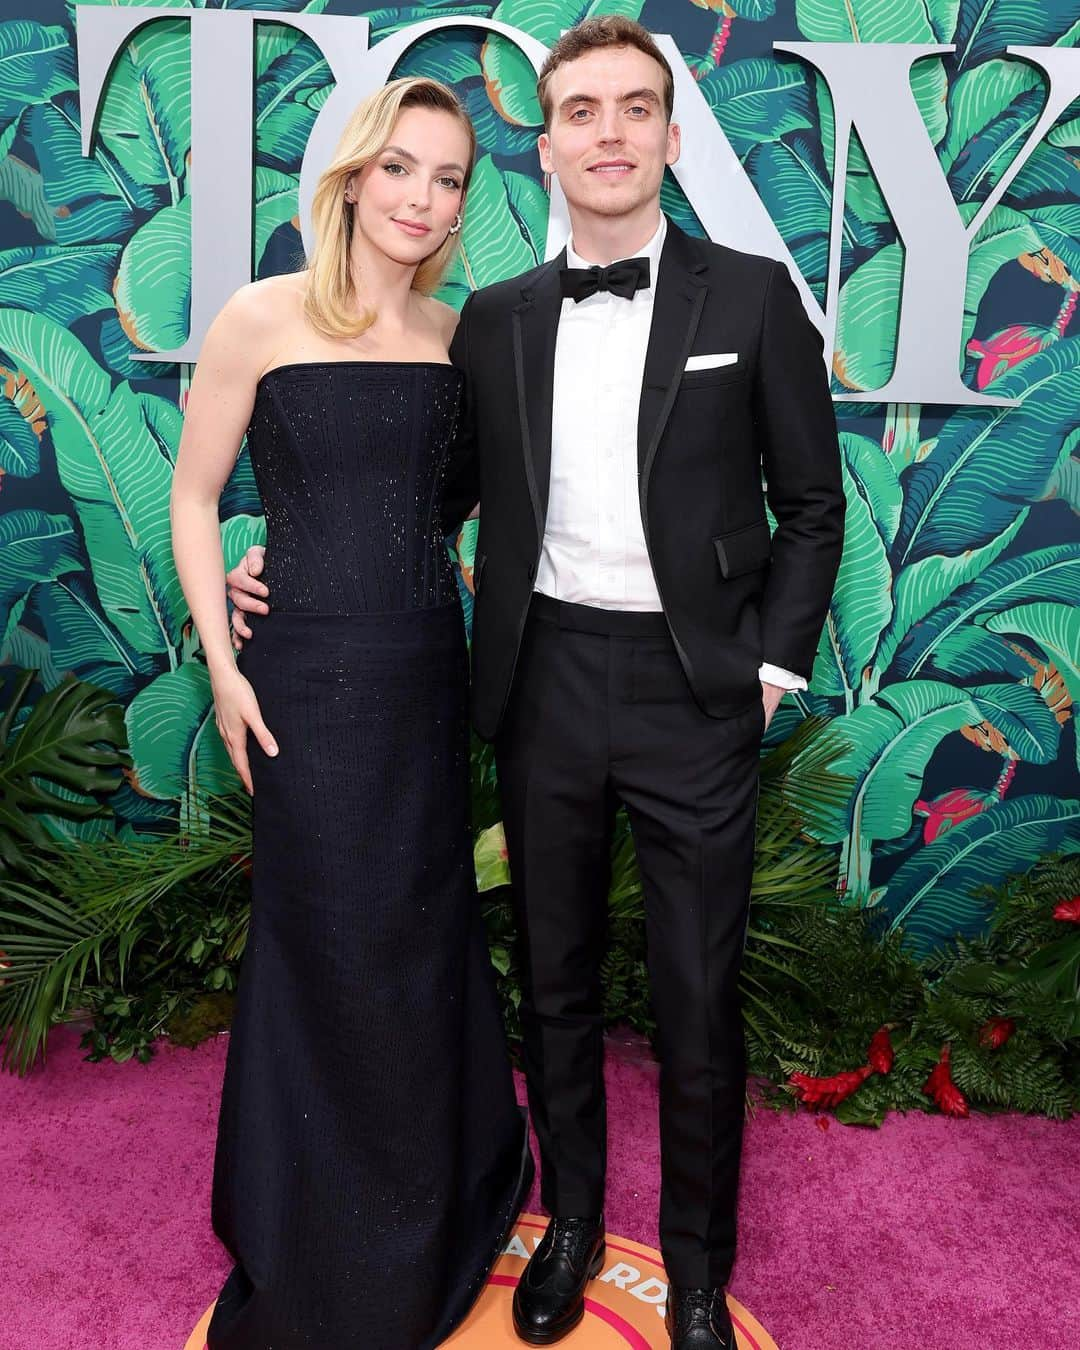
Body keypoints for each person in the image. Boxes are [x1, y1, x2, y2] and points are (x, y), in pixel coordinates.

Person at [230, 18, 844, 1349]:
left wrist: (772, 670)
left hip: (699, 693)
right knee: (552, 980)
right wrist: (288, 555)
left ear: (672, 141)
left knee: (694, 991)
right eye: (581, 111)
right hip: (542, 678)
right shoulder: (493, 323)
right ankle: (568, 1225)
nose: (609, 133)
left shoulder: (751, 301)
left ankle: (691, 1266)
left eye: (635, 108)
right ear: (548, 144)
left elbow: (811, 505)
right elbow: (418, 488)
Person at [170, 76, 532, 1350]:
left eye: (447, 181)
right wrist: (224, 660)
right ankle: (312, 1219)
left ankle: (430, 1196)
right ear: (352, 177)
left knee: (416, 931)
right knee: (320, 933)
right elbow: (194, 498)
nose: (423, 201)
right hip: (298, 682)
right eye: (401, 170)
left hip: (423, 673)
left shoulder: (461, 335)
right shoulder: (259, 317)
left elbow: (455, 510)